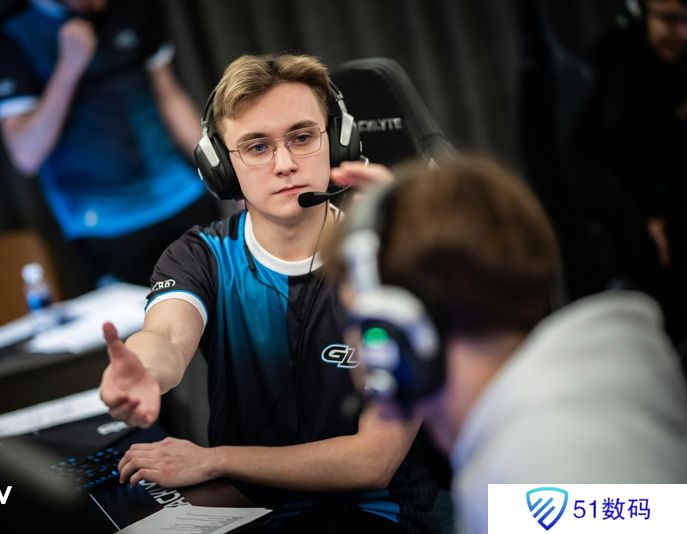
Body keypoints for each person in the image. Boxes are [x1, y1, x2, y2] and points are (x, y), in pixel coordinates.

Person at [99, 54, 441, 532]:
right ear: (220, 165)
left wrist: (216, 460)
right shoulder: (201, 256)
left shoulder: (388, 262)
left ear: (338, 139)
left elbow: (372, 460)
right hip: (244, 509)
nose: (285, 164)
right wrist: (145, 370)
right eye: (257, 147)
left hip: (375, 513)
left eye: (302, 138)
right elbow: (168, 338)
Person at [329, 154, 687, 534]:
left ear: (400, 326)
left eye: (364, 324)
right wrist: (412, 225)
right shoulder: (569, 413)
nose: (360, 348)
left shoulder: (537, 465)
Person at [0, 0, 215, 287]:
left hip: (180, 194)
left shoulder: (132, 8)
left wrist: (221, 169)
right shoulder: (14, 34)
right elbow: (26, 156)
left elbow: (170, 97)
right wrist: (68, 68)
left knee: (226, 304)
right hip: (103, 223)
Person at [588, 0, 687, 342]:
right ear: (639, 14)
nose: (680, 33)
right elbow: (617, 147)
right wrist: (651, 212)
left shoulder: (673, 64)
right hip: (639, 220)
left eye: (686, 22)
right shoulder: (620, 67)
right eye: (670, 20)